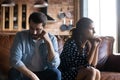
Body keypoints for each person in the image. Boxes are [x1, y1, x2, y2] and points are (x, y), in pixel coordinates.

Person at [8, 12, 61, 80]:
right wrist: (32, 76)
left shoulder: (52, 38)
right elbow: (15, 59)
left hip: (43, 72)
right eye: (31, 28)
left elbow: (54, 65)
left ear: (44, 27)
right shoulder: (20, 36)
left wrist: (48, 42)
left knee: (56, 73)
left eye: (38, 29)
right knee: (13, 72)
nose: (34, 32)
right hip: (25, 73)